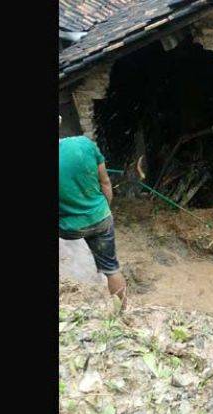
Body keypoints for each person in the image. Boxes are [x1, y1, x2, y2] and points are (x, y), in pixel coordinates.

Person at [59, 117, 128, 311]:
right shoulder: (85, 144)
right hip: (99, 219)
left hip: (66, 228)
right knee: (111, 269)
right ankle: (122, 315)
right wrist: (103, 211)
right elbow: (105, 183)